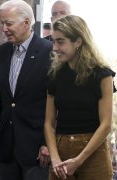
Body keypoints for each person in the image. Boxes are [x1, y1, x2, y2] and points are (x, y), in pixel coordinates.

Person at [0, 0, 53, 179]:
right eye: (2, 23)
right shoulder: (1, 53)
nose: (4, 29)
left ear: (26, 22)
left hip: (37, 151)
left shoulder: (49, 51)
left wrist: (48, 143)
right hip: (7, 150)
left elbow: (56, 104)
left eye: (8, 23)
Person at [44, 15, 115, 180]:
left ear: (78, 41)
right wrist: (54, 158)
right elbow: (48, 122)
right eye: (53, 41)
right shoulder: (54, 74)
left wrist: (79, 160)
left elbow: (106, 124)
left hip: (93, 151)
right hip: (60, 149)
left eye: (60, 42)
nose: (54, 47)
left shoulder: (102, 74)